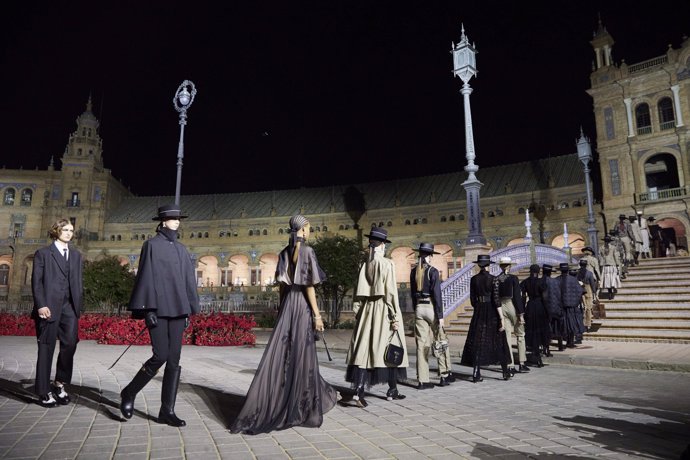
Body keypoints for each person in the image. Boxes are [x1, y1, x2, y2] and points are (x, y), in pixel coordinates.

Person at [231, 215, 337, 433]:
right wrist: (317, 316)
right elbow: (309, 286)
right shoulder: (307, 251)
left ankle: (282, 398)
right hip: (301, 306)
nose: (310, 232)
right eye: (309, 228)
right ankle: (302, 403)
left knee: (287, 353)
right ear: (303, 230)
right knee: (302, 353)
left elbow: (281, 287)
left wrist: (282, 310)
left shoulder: (283, 253)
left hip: (288, 305)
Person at [120, 204, 200, 427]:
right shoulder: (151, 245)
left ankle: (167, 411)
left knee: (174, 360)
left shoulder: (182, 249)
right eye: (173, 218)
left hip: (178, 309)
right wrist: (148, 309)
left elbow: (188, 281)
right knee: (161, 355)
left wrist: (188, 309)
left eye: (178, 218)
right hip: (158, 308)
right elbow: (145, 276)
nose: (177, 222)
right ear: (163, 221)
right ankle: (129, 392)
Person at [345, 226, 408, 405]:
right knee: (389, 349)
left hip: (366, 310)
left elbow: (357, 293)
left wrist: (358, 312)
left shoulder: (364, 263)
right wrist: (395, 317)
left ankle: (358, 391)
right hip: (383, 309)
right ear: (382, 245)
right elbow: (390, 294)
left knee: (364, 351)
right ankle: (392, 390)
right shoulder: (387, 263)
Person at [31, 218, 84, 407]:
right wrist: (41, 305)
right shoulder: (43, 254)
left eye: (71, 230)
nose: (69, 233)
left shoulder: (76, 255)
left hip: (69, 308)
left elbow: (77, 282)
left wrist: (78, 305)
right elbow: (36, 282)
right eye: (65, 230)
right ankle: (43, 391)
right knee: (46, 348)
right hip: (49, 308)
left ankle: (59, 384)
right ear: (56, 231)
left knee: (70, 344)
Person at [460, 255, 511, 382]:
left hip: (479, 312)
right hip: (492, 312)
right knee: (498, 340)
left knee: (478, 340)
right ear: (488, 265)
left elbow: (472, 300)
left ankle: (476, 373)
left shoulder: (474, 279)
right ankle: (505, 372)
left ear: (479, 265)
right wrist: (501, 318)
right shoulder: (494, 279)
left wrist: (479, 307)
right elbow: (496, 300)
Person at [410, 242, 453, 389]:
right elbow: (437, 295)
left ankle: (423, 380)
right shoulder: (433, 271)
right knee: (440, 341)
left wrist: (415, 308)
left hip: (419, 308)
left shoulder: (414, 271)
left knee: (421, 345)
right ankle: (444, 375)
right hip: (431, 308)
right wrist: (440, 316)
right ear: (429, 256)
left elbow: (411, 294)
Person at [493, 257, 529, 375]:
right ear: (509, 266)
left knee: (507, 337)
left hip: (501, 307)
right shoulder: (513, 278)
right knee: (520, 334)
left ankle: (510, 364)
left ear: (501, 267)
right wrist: (521, 314)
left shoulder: (497, 279)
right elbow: (517, 297)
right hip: (512, 305)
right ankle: (522, 363)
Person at [520, 264, 550, 368]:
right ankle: (538, 356)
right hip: (540, 307)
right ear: (539, 271)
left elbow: (523, 297)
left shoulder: (525, 282)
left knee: (532, 330)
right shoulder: (541, 282)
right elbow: (545, 298)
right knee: (540, 330)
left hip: (530, 307)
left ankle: (535, 354)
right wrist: (547, 311)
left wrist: (522, 310)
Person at [558, 263, 585, 348]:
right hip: (571, 306)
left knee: (562, 325)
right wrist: (575, 302)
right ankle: (570, 342)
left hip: (561, 306)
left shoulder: (556, 280)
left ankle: (561, 342)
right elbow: (580, 291)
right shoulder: (573, 280)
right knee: (571, 324)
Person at [540, 264, 562, 355]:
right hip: (554, 308)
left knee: (544, 328)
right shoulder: (555, 282)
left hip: (542, 308)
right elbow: (558, 295)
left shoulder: (540, 281)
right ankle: (560, 345)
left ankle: (546, 348)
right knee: (557, 328)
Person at [599, 235, 621, 300]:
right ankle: (612, 292)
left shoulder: (601, 248)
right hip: (612, 265)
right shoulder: (613, 247)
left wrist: (601, 264)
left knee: (608, 280)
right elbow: (616, 256)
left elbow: (600, 257)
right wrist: (617, 264)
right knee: (612, 279)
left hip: (605, 266)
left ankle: (609, 293)